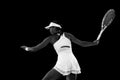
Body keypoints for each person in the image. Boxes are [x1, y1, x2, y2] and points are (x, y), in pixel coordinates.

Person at [21, 22, 99, 80]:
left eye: (51, 28)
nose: (50, 30)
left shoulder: (50, 38)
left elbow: (34, 49)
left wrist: (26, 48)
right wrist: (93, 43)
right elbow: (82, 44)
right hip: (72, 61)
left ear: (57, 28)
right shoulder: (67, 35)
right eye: (49, 28)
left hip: (63, 61)